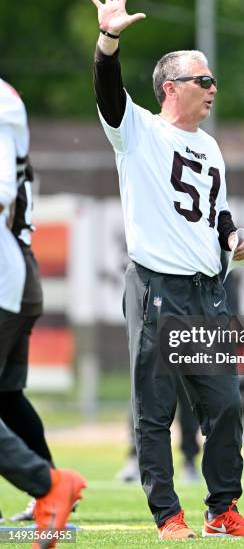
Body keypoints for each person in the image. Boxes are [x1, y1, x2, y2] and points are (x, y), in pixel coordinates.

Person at [90, 0, 244, 539]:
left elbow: (214, 214)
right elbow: (107, 92)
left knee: (227, 404)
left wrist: (235, 235)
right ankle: (168, 514)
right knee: (155, 410)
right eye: (204, 79)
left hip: (207, 290)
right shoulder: (137, 131)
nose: (214, 87)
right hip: (158, 286)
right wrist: (107, 42)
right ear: (171, 88)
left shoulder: (209, 146)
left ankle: (223, 508)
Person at [0, 77, 86, 547]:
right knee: (7, 396)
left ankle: (48, 486)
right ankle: (49, 489)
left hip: (7, 271)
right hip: (18, 269)